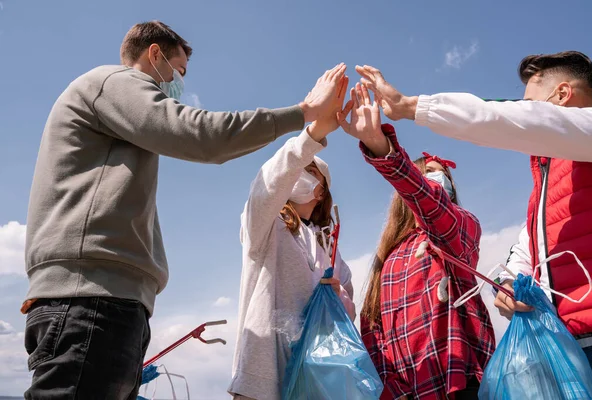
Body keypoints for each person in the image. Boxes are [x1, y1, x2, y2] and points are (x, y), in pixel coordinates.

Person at [22, 20, 349, 399]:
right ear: (154, 55)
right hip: (90, 298)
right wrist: (304, 113)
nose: (179, 84)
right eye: (179, 71)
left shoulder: (119, 135)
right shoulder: (112, 83)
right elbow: (206, 138)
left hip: (108, 300)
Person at [354, 51, 592, 394]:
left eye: (528, 104)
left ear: (561, 95)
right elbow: (526, 252)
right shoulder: (543, 187)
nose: (522, 110)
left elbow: (500, 120)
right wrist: (508, 284)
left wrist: (412, 108)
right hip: (566, 344)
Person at [337, 84, 495, 399]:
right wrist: (392, 388)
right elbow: (374, 331)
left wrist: (380, 147)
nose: (438, 184)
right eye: (430, 175)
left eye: (443, 179)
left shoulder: (459, 230)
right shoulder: (389, 256)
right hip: (406, 391)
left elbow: (428, 201)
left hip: (459, 382)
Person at [228, 75, 356, 400]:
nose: (299, 171)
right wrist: (311, 136)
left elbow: (348, 313)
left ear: (321, 188)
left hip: (313, 380)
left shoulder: (328, 247)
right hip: (264, 380)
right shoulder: (265, 224)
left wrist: (339, 294)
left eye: (309, 169)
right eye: (299, 166)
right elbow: (269, 182)